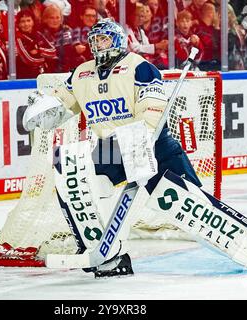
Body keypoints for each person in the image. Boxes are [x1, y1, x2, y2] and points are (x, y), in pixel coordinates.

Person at [25, 18, 202, 278]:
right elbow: (62, 104)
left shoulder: (139, 67)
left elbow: (152, 111)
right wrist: (44, 109)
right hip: (112, 149)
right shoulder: (82, 73)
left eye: (104, 39)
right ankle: (98, 248)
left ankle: (234, 235)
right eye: (94, 40)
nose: (98, 45)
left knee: (192, 207)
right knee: (68, 168)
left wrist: (139, 146)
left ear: (117, 40)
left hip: (152, 145)